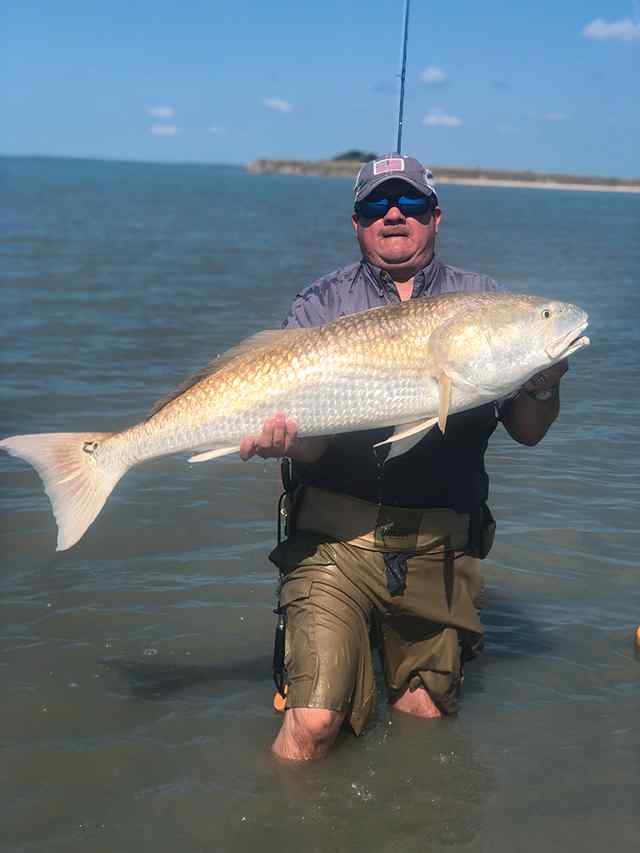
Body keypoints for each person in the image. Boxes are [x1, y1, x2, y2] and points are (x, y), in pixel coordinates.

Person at [239, 155, 568, 761]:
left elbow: (528, 431)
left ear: (436, 217)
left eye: (412, 205)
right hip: (333, 542)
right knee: (312, 723)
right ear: (357, 224)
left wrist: (541, 384)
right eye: (376, 207)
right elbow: (307, 446)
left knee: (424, 720)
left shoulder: (484, 302)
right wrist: (285, 438)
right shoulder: (321, 304)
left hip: (438, 546)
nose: (394, 215)